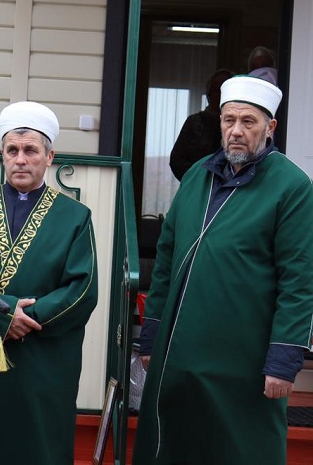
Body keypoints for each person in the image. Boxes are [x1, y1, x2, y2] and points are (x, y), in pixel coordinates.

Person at [133, 76, 313, 464]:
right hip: (179, 352)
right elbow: (165, 261)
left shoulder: (292, 186)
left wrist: (284, 360)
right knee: (175, 444)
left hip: (245, 357)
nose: (236, 131)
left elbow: (299, 281)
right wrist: (151, 336)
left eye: (248, 122)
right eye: (229, 120)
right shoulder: (196, 175)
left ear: (270, 127)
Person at [0, 101, 98, 465]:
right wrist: (2, 316)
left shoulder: (75, 217)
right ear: (2, 154)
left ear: (49, 156)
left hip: (44, 356)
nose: (21, 160)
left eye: (30, 150)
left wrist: (26, 318)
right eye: (12, 150)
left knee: (39, 447)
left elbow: (82, 289)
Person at [168, 68, 233, 181]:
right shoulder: (194, 122)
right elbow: (177, 160)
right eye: (218, 91)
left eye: (226, 91)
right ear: (209, 94)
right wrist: (196, 180)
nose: (222, 95)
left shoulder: (238, 126)